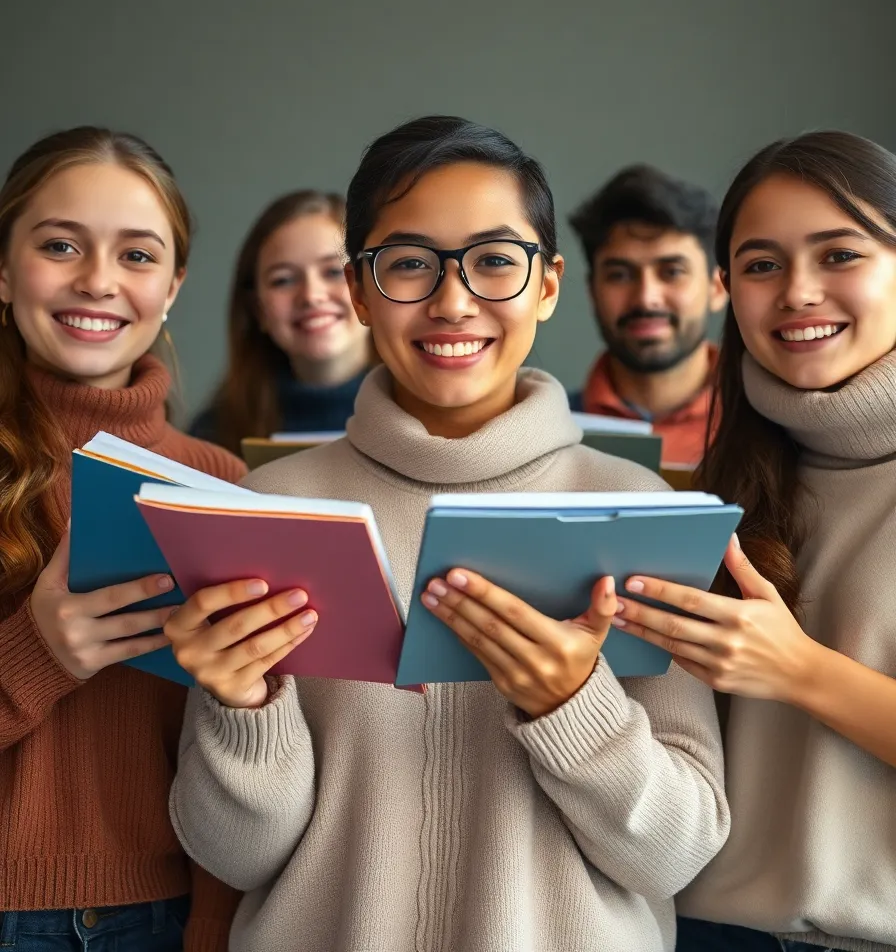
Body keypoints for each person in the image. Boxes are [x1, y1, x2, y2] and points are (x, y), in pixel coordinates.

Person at [164, 116, 730, 952]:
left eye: (496, 261)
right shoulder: (273, 506)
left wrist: (573, 709)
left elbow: (674, 855)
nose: (454, 299)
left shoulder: (635, 506)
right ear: (359, 289)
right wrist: (240, 706)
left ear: (547, 284)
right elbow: (238, 857)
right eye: (409, 264)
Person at [611, 132, 896, 951]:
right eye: (762, 265)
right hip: (697, 933)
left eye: (839, 253)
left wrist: (801, 670)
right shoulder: (717, 487)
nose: (798, 292)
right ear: (728, 290)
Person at [0, 127, 246, 951]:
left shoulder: (222, 484)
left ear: (174, 286)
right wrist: (35, 653)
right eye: (60, 245)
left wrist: (212, 923)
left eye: (137, 256)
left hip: (160, 917)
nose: (97, 281)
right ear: (4, 269)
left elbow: (229, 740)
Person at [568, 165, 727, 464]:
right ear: (592, 292)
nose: (646, 297)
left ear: (717, 288)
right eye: (619, 275)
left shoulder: (775, 428)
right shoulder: (548, 433)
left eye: (672, 272)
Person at [190, 191, 371, 454]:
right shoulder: (213, 436)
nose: (311, 296)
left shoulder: (435, 414)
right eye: (283, 280)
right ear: (258, 309)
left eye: (333, 271)